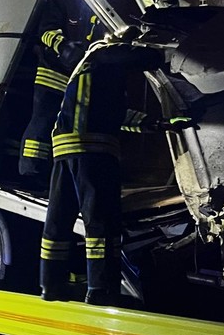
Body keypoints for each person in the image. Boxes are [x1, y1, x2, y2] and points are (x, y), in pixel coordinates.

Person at [40, 27, 167, 305]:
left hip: (67, 151)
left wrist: (153, 124)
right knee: (101, 223)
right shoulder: (102, 52)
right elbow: (138, 56)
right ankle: (100, 289)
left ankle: (51, 285)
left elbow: (117, 117)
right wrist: (165, 52)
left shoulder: (100, 73)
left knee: (58, 222)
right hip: (93, 152)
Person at [18, 0, 104, 180]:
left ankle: (58, 175)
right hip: (52, 72)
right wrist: (63, 46)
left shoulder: (99, 3)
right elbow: (46, 31)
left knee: (71, 130)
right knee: (44, 120)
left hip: (80, 78)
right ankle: (31, 172)